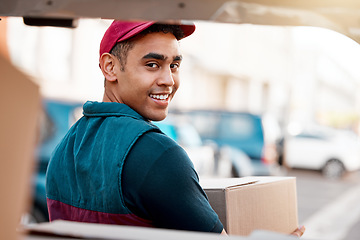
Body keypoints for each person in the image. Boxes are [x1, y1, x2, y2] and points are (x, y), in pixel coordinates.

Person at [45, 20, 305, 237]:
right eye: (152, 64)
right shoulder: (157, 154)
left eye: (174, 65)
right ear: (110, 67)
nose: (169, 80)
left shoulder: (64, 148)